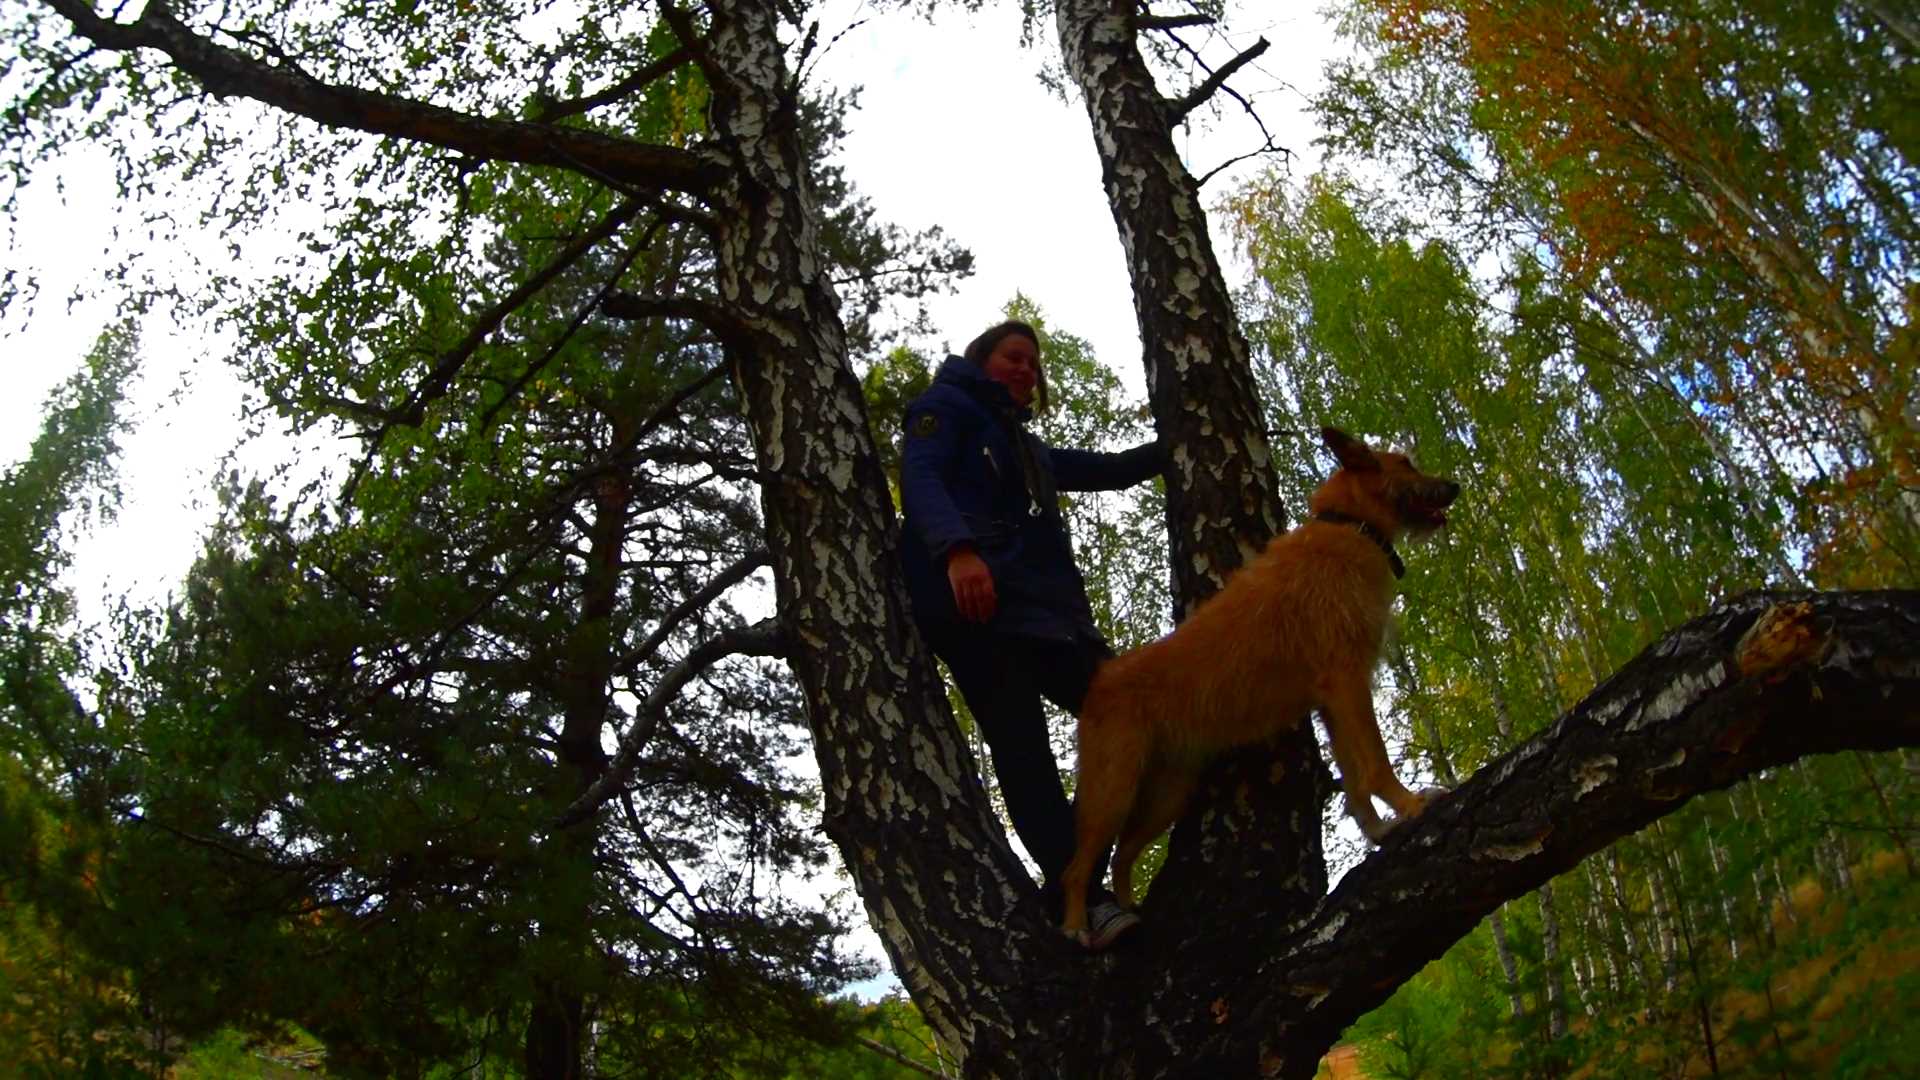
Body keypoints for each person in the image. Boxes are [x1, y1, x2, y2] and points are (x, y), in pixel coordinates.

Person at [898, 319, 1164, 949]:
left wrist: (1178, 441)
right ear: (982, 359)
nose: (1026, 370)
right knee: (1026, 755)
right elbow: (922, 477)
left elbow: (1110, 470)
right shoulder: (946, 407)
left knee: (1131, 708)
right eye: (1014, 357)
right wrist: (957, 552)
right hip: (974, 611)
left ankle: (1092, 880)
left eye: (1033, 364)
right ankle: (1082, 899)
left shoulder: (1025, 448)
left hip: (1039, 615)